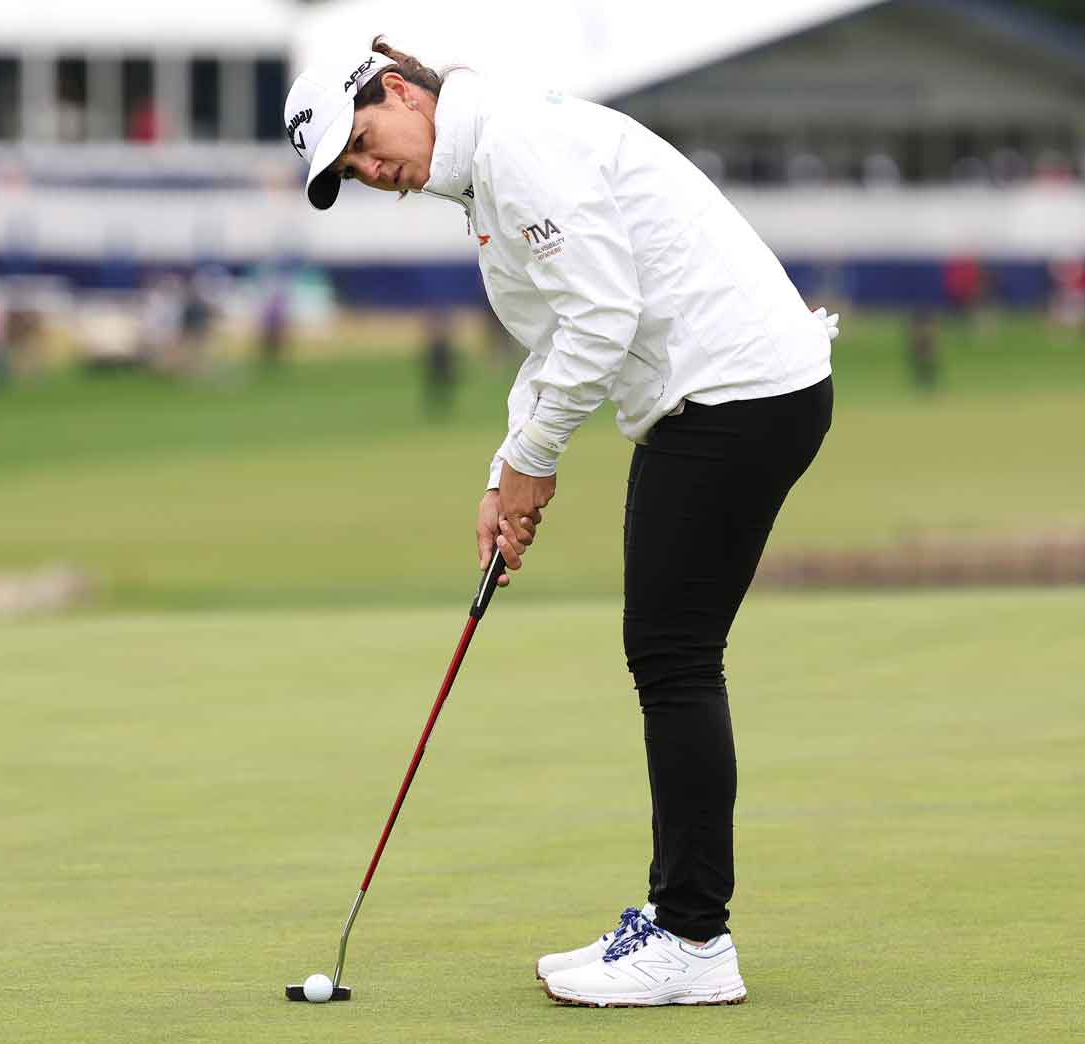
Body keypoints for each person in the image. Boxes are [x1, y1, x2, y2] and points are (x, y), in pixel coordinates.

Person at [282, 40, 838, 1008]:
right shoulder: (483, 170)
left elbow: (603, 314)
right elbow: (551, 339)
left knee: (670, 651)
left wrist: (536, 461)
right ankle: (681, 927)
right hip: (725, 393)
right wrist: (506, 468)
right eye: (353, 173)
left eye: (366, 143)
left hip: (735, 389)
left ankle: (692, 938)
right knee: (668, 649)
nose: (375, 173)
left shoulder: (509, 144)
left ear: (400, 92)